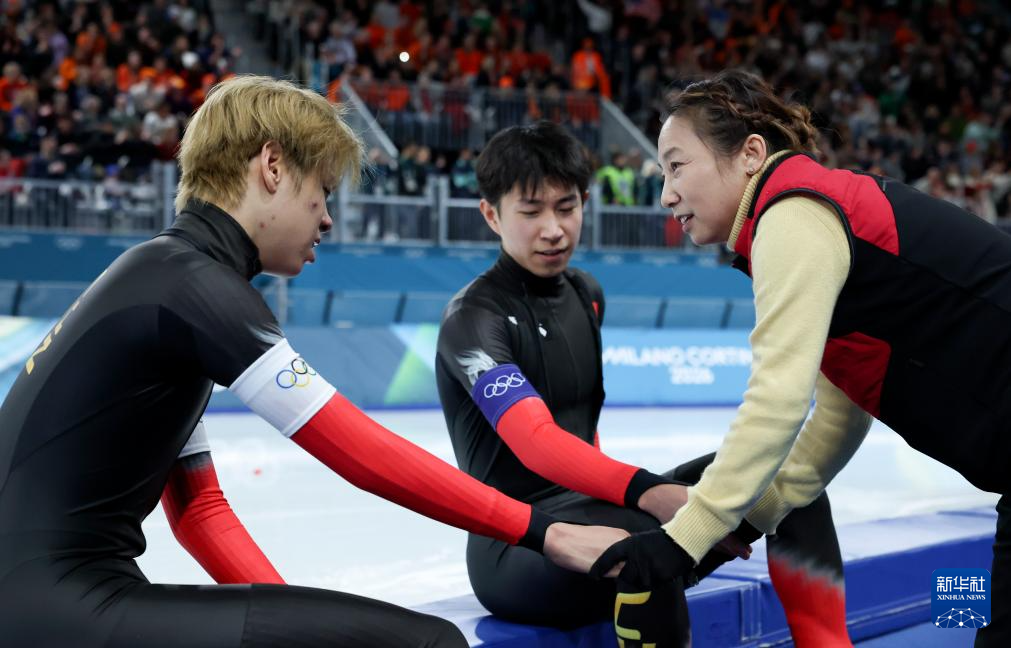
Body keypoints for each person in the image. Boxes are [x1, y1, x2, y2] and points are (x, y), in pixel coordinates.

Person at [0, 75, 626, 647]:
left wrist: (290, 622)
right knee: (432, 643)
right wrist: (544, 532)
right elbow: (358, 452)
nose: (326, 218)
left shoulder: (165, 276)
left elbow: (200, 511)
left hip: (45, 601)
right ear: (272, 166)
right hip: (62, 605)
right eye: (322, 191)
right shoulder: (195, 287)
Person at [591, 68, 1011, 648]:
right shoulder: (816, 208)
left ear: (750, 155)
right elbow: (839, 417)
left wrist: (685, 538)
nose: (665, 194)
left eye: (677, 166)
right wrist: (744, 522)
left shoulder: (792, 214)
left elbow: (777, 399)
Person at [436, 120, 852, 646]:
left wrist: (665, 499)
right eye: (531, 211)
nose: (553, 229)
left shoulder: (586, 293)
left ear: (585, 203)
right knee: (650, 544)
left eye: (566, 207)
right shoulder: (472, 320)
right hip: (515, 545)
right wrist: (650, 492)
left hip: (592, 504)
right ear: (491, 215)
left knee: (788, 475)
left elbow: (583, 431)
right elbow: (536, 442)